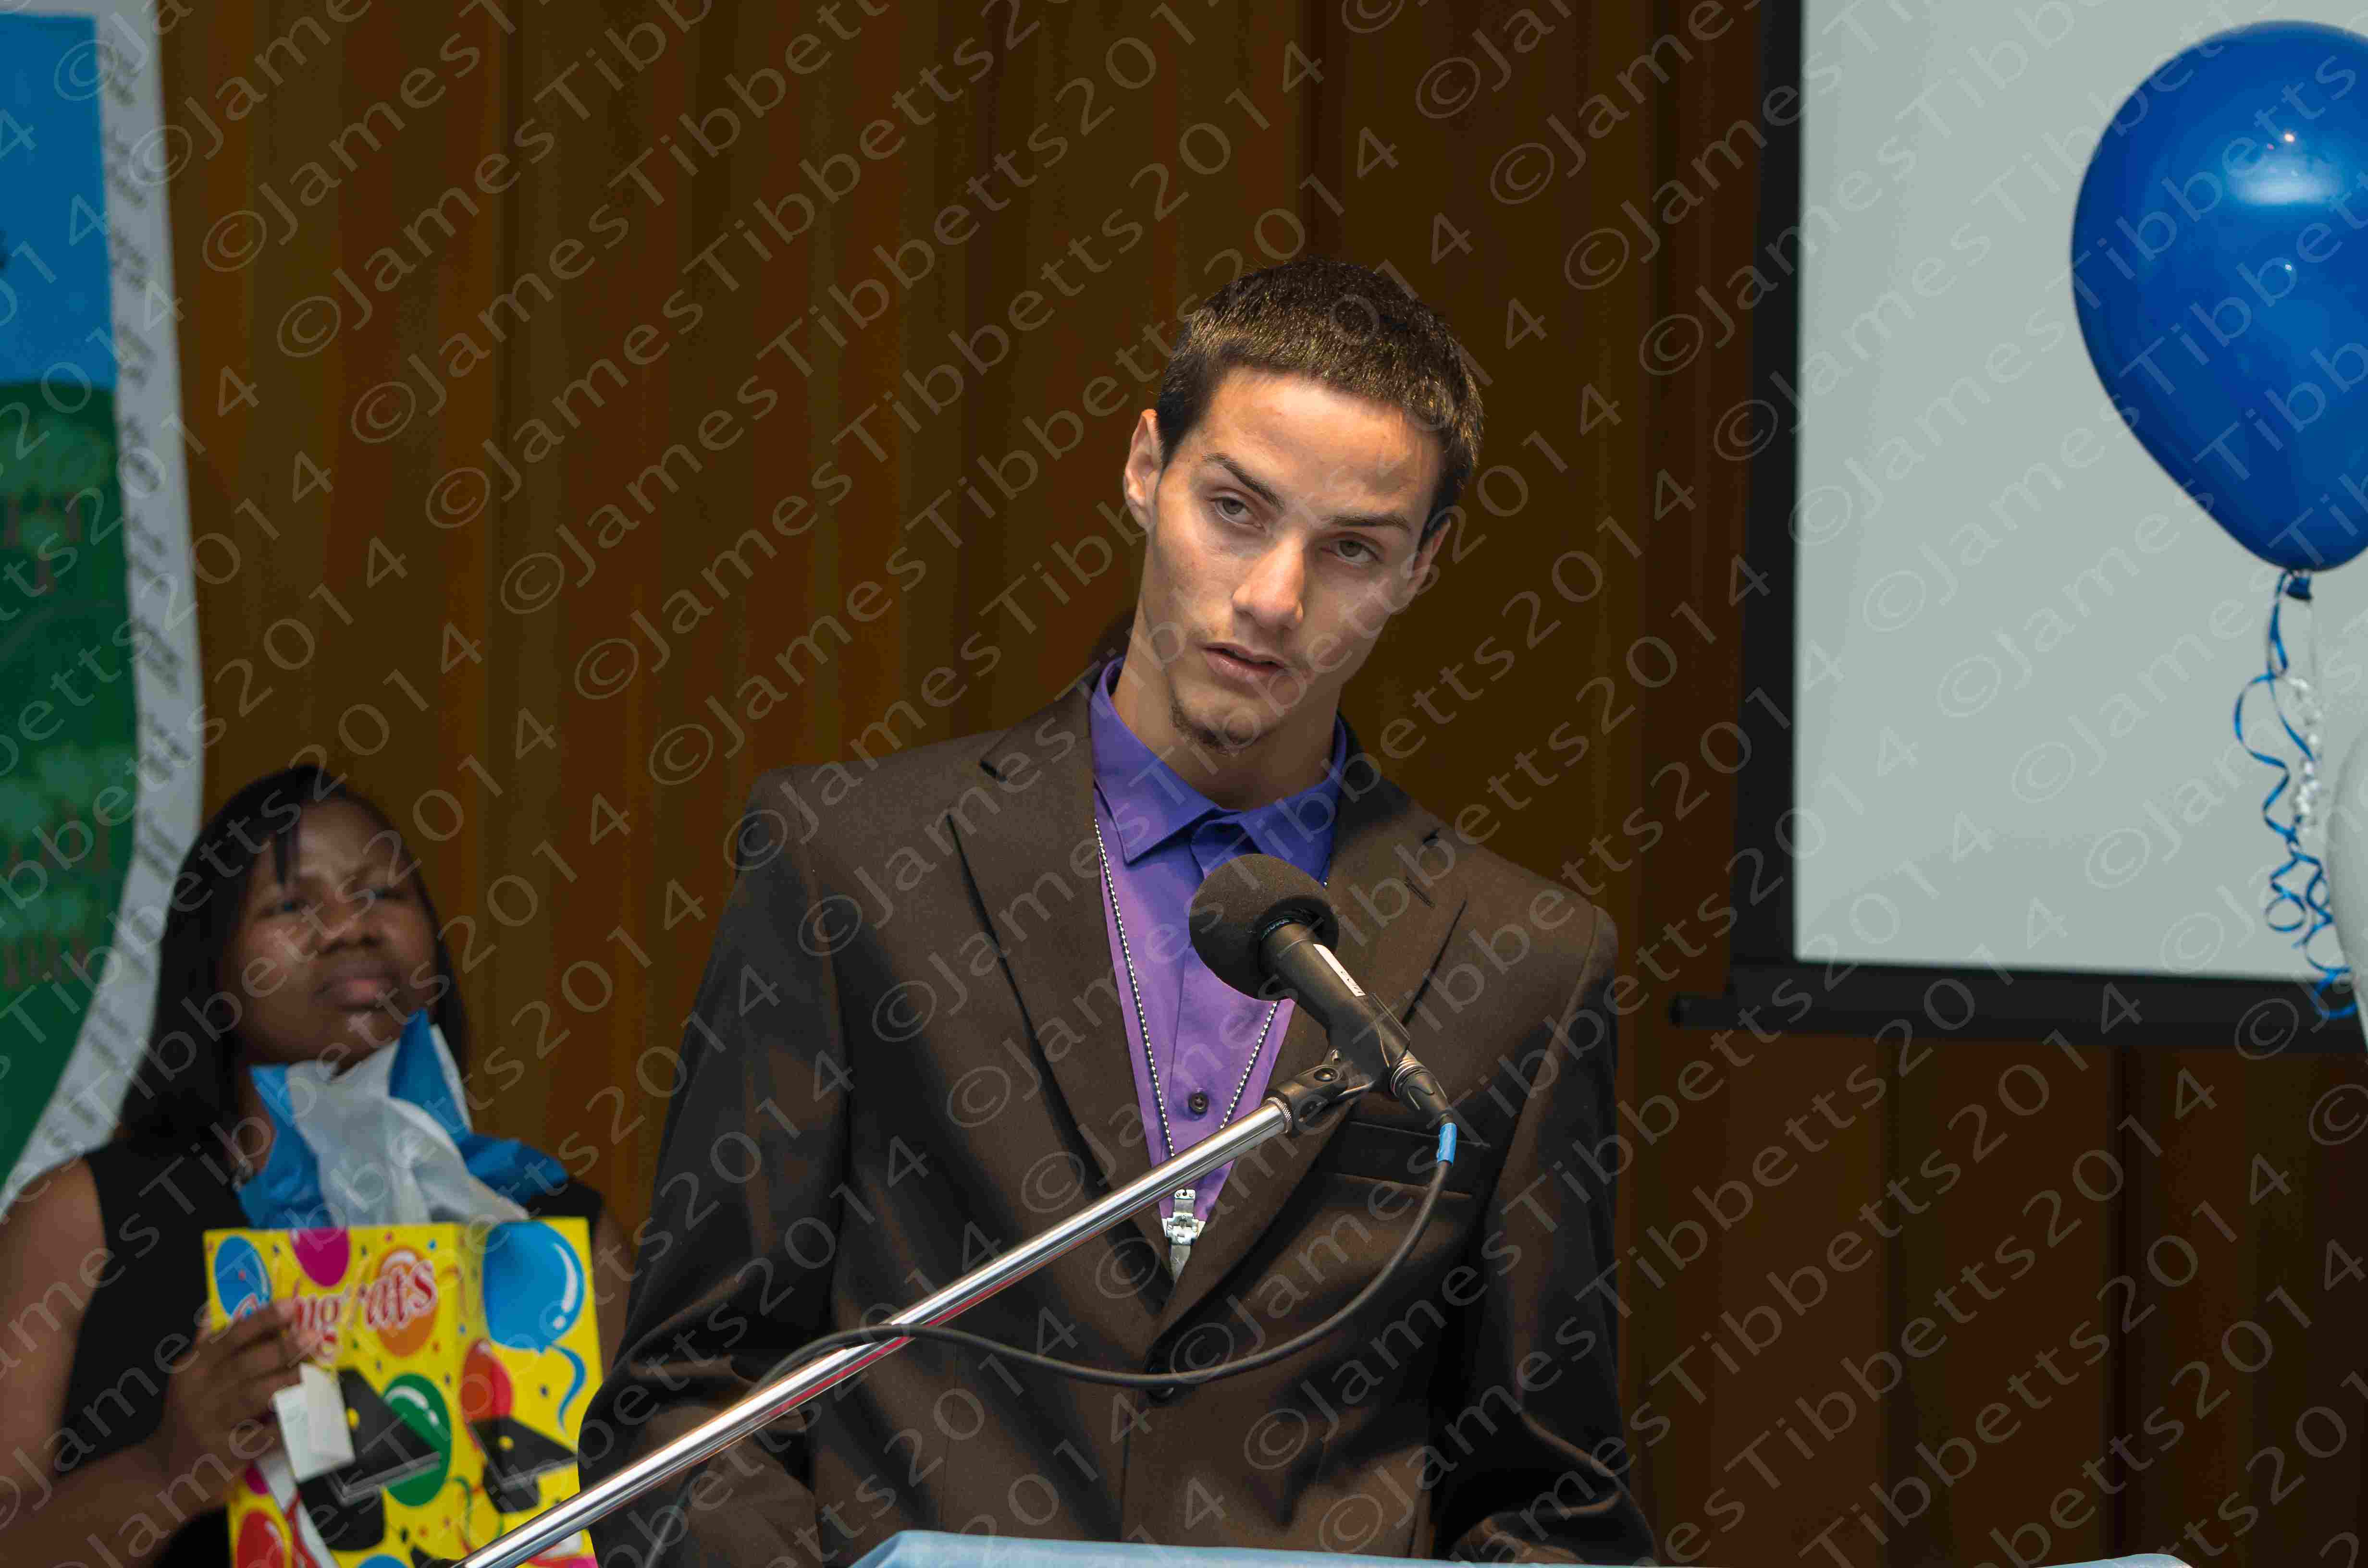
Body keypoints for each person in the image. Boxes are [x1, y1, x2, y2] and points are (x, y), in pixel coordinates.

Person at [586, 256, 1655, 1564]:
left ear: (1423, 566)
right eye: (1235, 509)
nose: (1274, 598)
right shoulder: (852, 863)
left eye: (1352, 550)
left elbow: (1551, 1500)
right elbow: (688, 1401)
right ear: (1146, 469)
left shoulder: (1524, 960)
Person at [0, 765, 629, 1568]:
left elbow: (661, 1521)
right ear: (213, 967)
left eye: (383, 893)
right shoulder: (83, 1218)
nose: (349, 927)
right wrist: (167, 1471)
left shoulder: (560, 1232)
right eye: (293, 905)